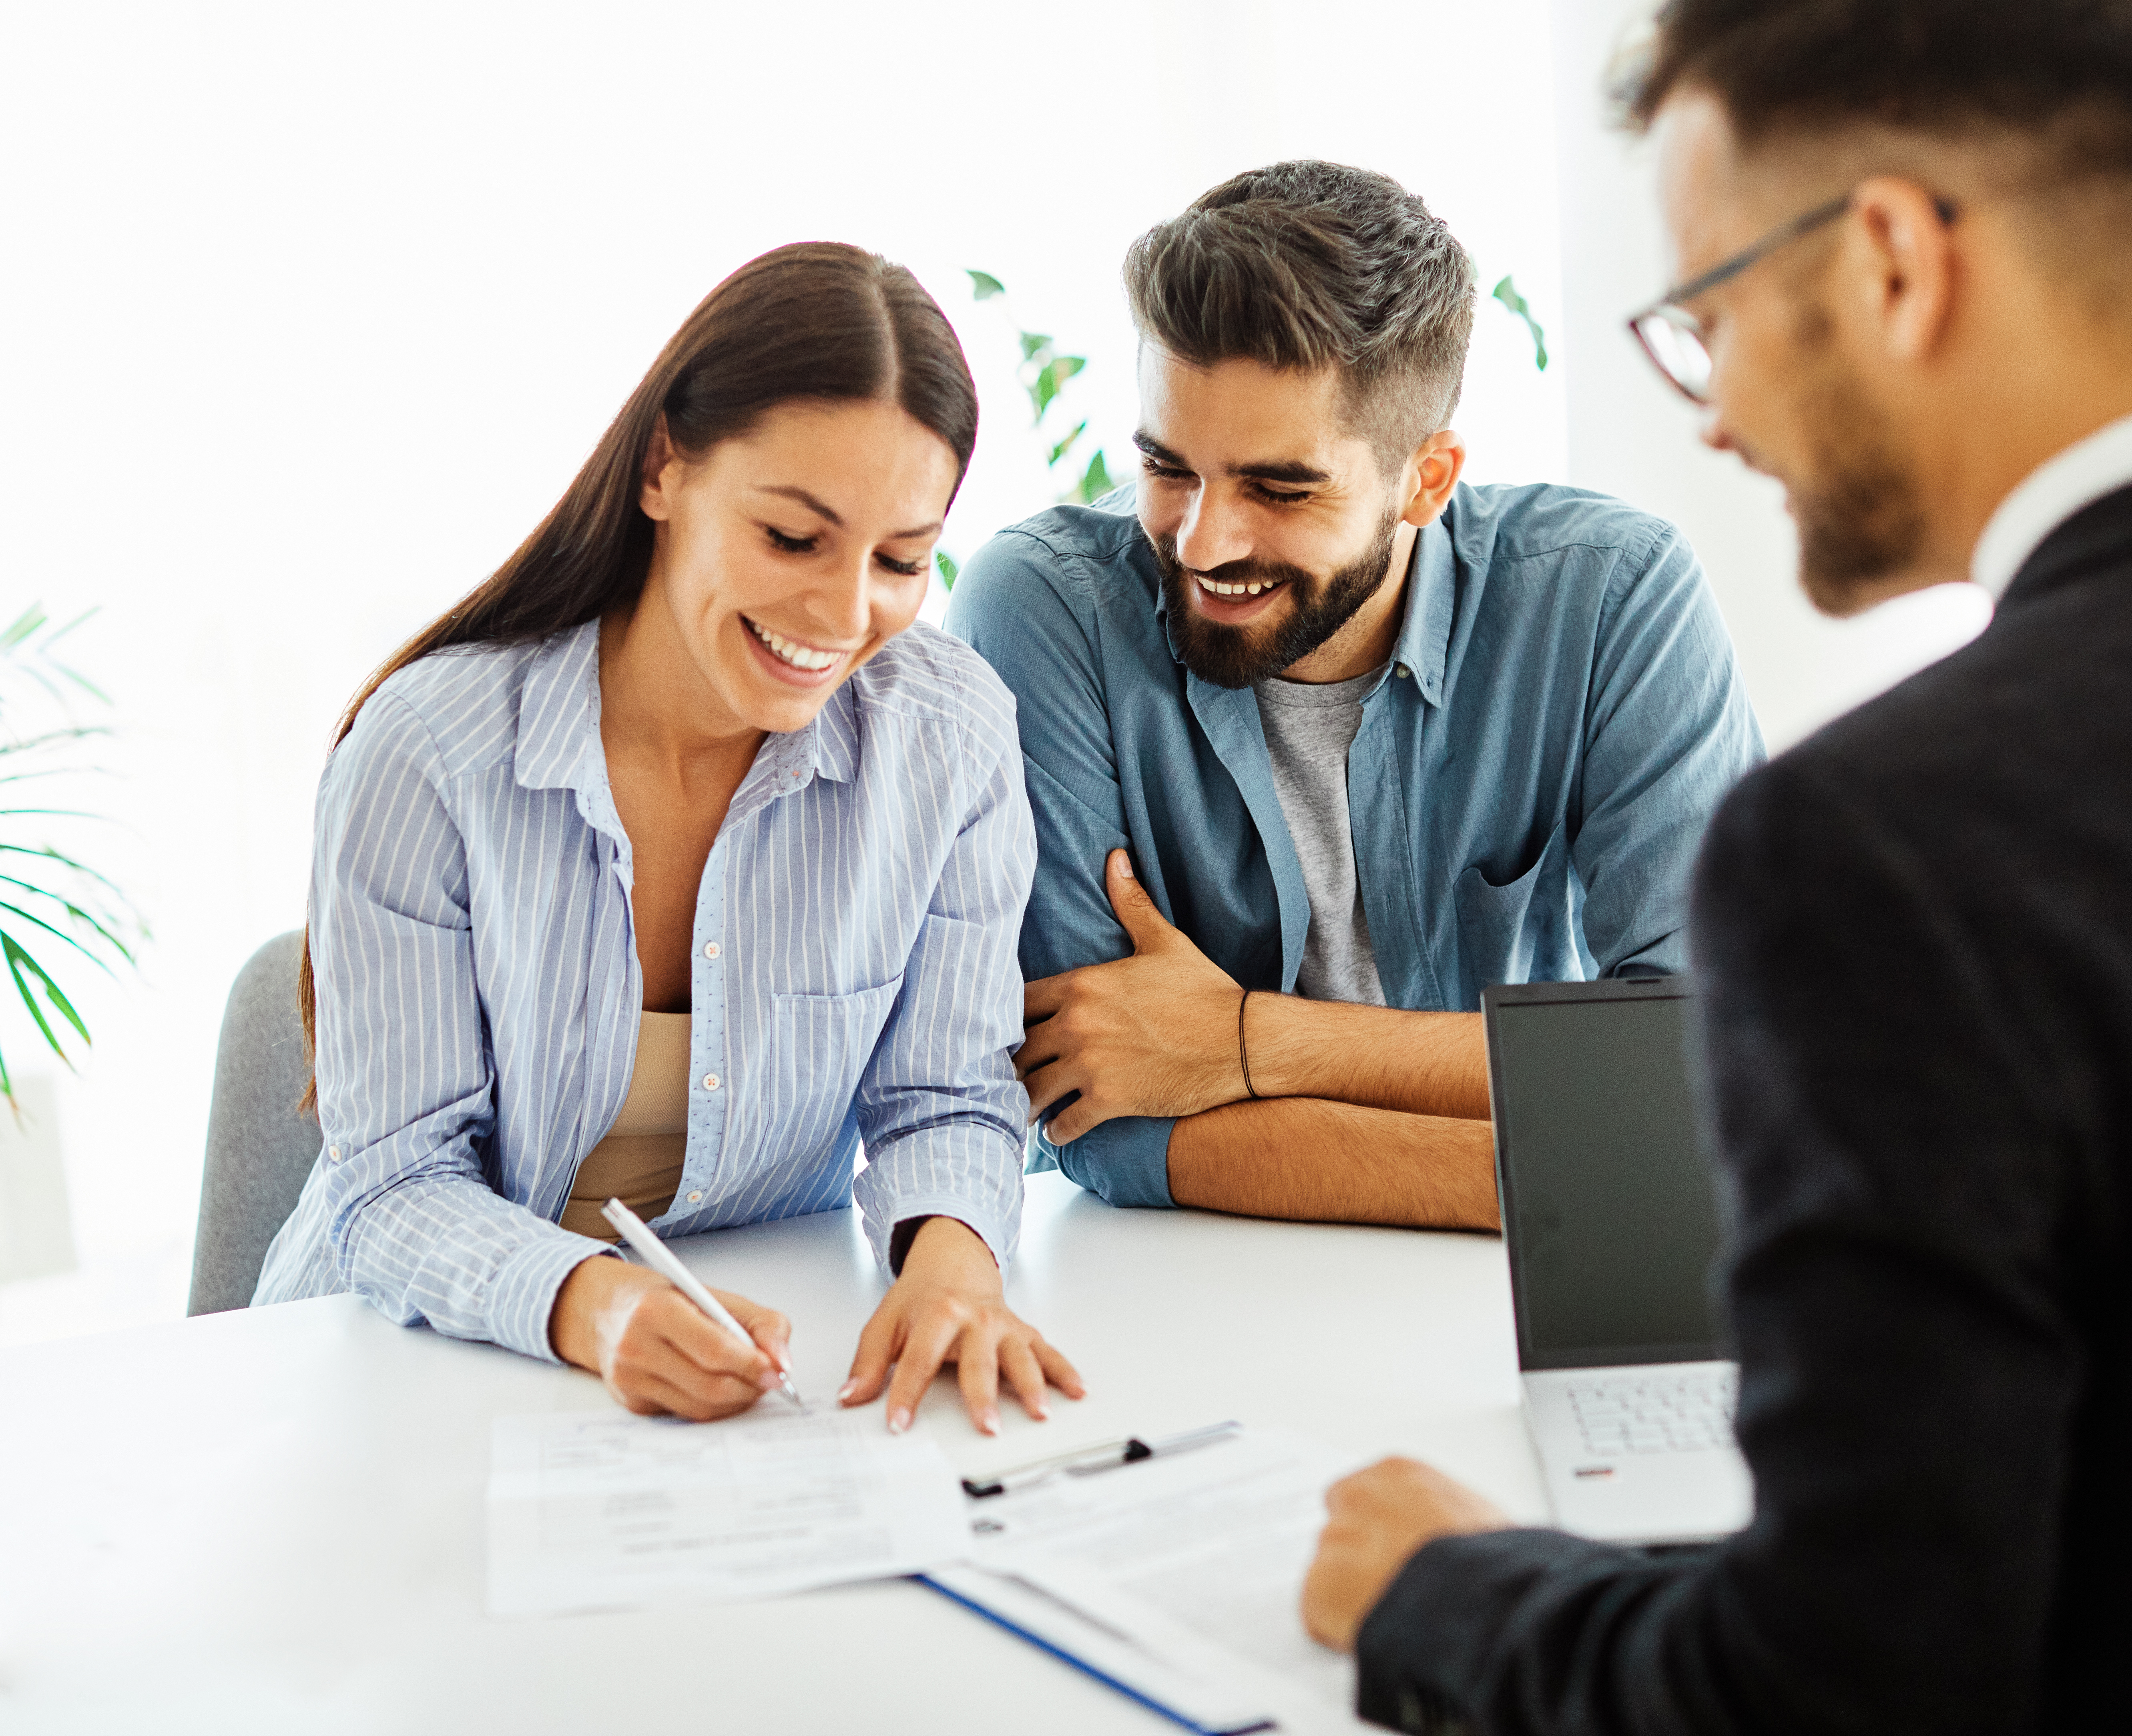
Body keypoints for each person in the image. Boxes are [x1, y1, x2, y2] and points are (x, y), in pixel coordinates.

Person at [1302, 2, 2132, 1728]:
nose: (1713, 417)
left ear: (1894, 263)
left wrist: (1453, 1596)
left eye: (1711, 317)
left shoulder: (1886, 850)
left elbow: (1848, 1683)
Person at [255, 244, 1082, 1438]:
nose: (847, 616)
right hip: (410, 1372)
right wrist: (596, 1311)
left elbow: (946, 1094)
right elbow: (393, 1185)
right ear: (663, 469)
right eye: (795, 540)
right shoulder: (428, 754)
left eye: (903, 560)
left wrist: (950, 1266)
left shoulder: (948, 739)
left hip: (754, 1373)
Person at [946, 162, 1761, 1227]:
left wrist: (1239, 1041)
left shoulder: (1611, 597)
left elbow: (1700, 1059)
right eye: (1170, 468)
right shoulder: (1046, 610)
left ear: (1426, 479)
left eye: (1279, 489)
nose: (1203, 541)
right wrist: (1573, 1163)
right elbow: (1095, 1104)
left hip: (1506, 1300)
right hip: (1188, 1284)